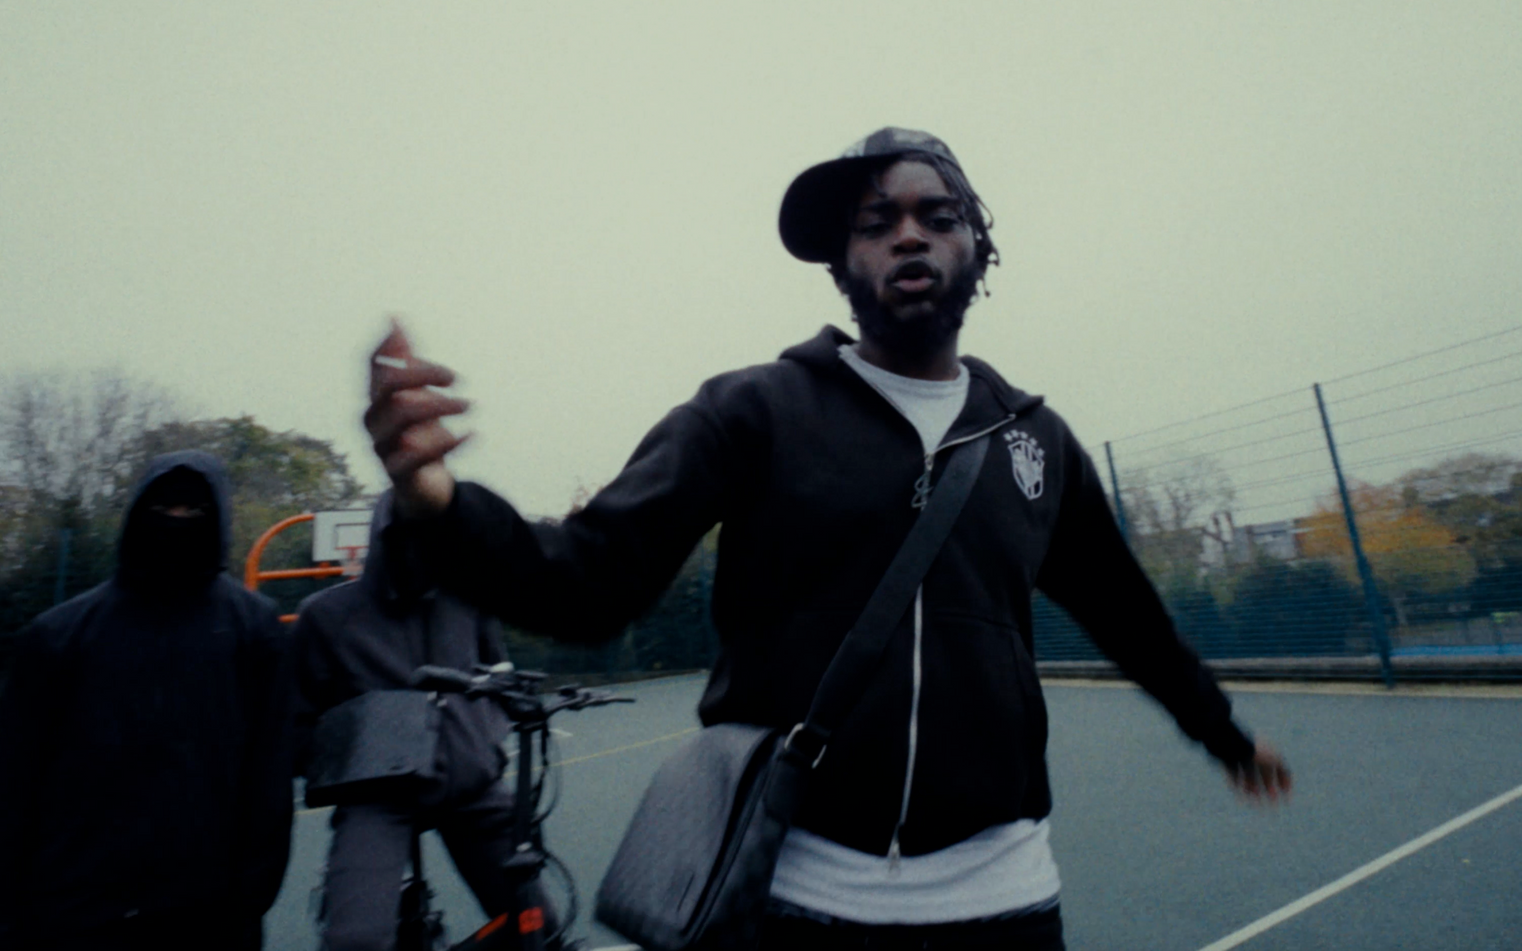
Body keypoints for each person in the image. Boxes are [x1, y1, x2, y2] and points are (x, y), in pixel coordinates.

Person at [364, 128, 1291, 950]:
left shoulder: (1034, 441)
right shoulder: (751, 411)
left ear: (977, 247)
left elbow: (1128, 615)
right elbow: (591, 579)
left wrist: (1221, 730)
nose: (908, 234)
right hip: (796, 899)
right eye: (876, 222)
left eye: (938, 215)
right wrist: (439, 504)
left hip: (1007, 899)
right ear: (842, 266)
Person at [0, 452, 295, 951]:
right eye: (164, 507)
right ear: (138, 510)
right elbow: (8, 792)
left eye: (194, 509)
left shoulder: (254, 631)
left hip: (207, 918)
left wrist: (246, 904)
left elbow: (267, 780)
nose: (178, 520)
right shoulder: (58, 637)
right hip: (74, 914)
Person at [292, 493, 542, 951]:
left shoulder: (469, 601)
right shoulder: (326, 616)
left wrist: (484, 743)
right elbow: (297, 720)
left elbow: (498, 676)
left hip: (472, 788)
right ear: (386, 538)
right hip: (377, 797)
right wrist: (350, 757)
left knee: (536, 924)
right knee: (356, 941)